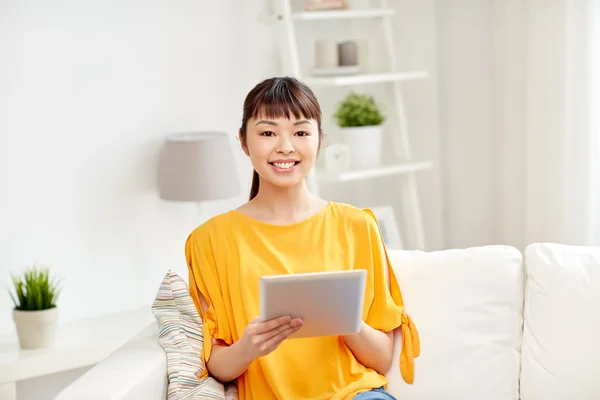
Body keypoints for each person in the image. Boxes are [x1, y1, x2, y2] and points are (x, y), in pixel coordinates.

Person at [185, 76, 420, 400]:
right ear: (243, 141)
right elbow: (217, 365)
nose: (285, 146)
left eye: (300, 132)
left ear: (319, 140)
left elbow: (380, 358)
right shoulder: (210, 240)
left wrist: (345, 320)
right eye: (268, 132)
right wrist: (248, 347)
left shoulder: (357, 226)